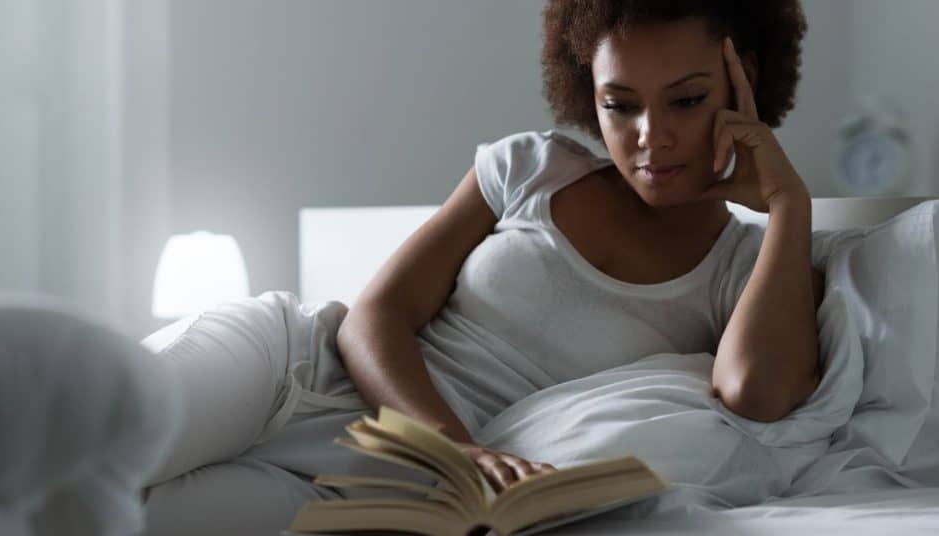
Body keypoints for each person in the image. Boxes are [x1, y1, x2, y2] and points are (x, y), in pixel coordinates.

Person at [337, 0, 825, 498]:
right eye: (620, 105)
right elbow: (372, 315)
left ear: (742, 78)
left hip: (426, 489)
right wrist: (456, 452)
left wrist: (787, 202)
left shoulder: (745, 267)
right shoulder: (529, 169)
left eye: (686, 101)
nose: (651, 138)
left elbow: (757, 396)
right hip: (333, 390)